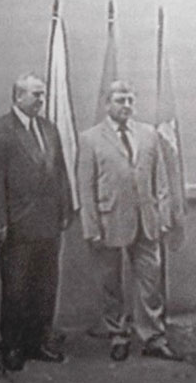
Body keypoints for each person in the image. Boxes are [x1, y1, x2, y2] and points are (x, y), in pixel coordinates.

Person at [78, 80, 183, 362]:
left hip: (146, 221)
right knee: (110, 283)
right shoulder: (90, 138)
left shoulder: (149, 134)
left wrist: (162, 217)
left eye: (129, 100)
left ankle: (153, 337)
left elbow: (161, 179)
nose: (126, 106)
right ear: (107, 104)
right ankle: (118, 335)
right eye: (119, 100)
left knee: (150, 282)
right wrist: (91, 227)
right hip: (108, 220)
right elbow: (85, 187)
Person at [0, 72, 71, 371]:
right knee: (16, 290)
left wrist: (65, 209)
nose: (41, 100)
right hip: (18, 226)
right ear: (18, 96)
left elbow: (60, 172)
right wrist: (0, 222)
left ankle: (38, 342)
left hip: (49, 225)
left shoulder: (49, 128)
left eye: (43, 94)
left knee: (45, 288)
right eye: (36, 94)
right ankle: (13, 346)